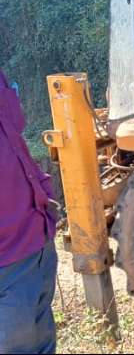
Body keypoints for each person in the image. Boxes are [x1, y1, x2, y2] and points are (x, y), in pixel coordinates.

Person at [0, 69, 57, 354]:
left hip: (37, 240)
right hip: (6, 260)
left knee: (44, 343)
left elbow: (14, 131)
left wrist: (43, 193)